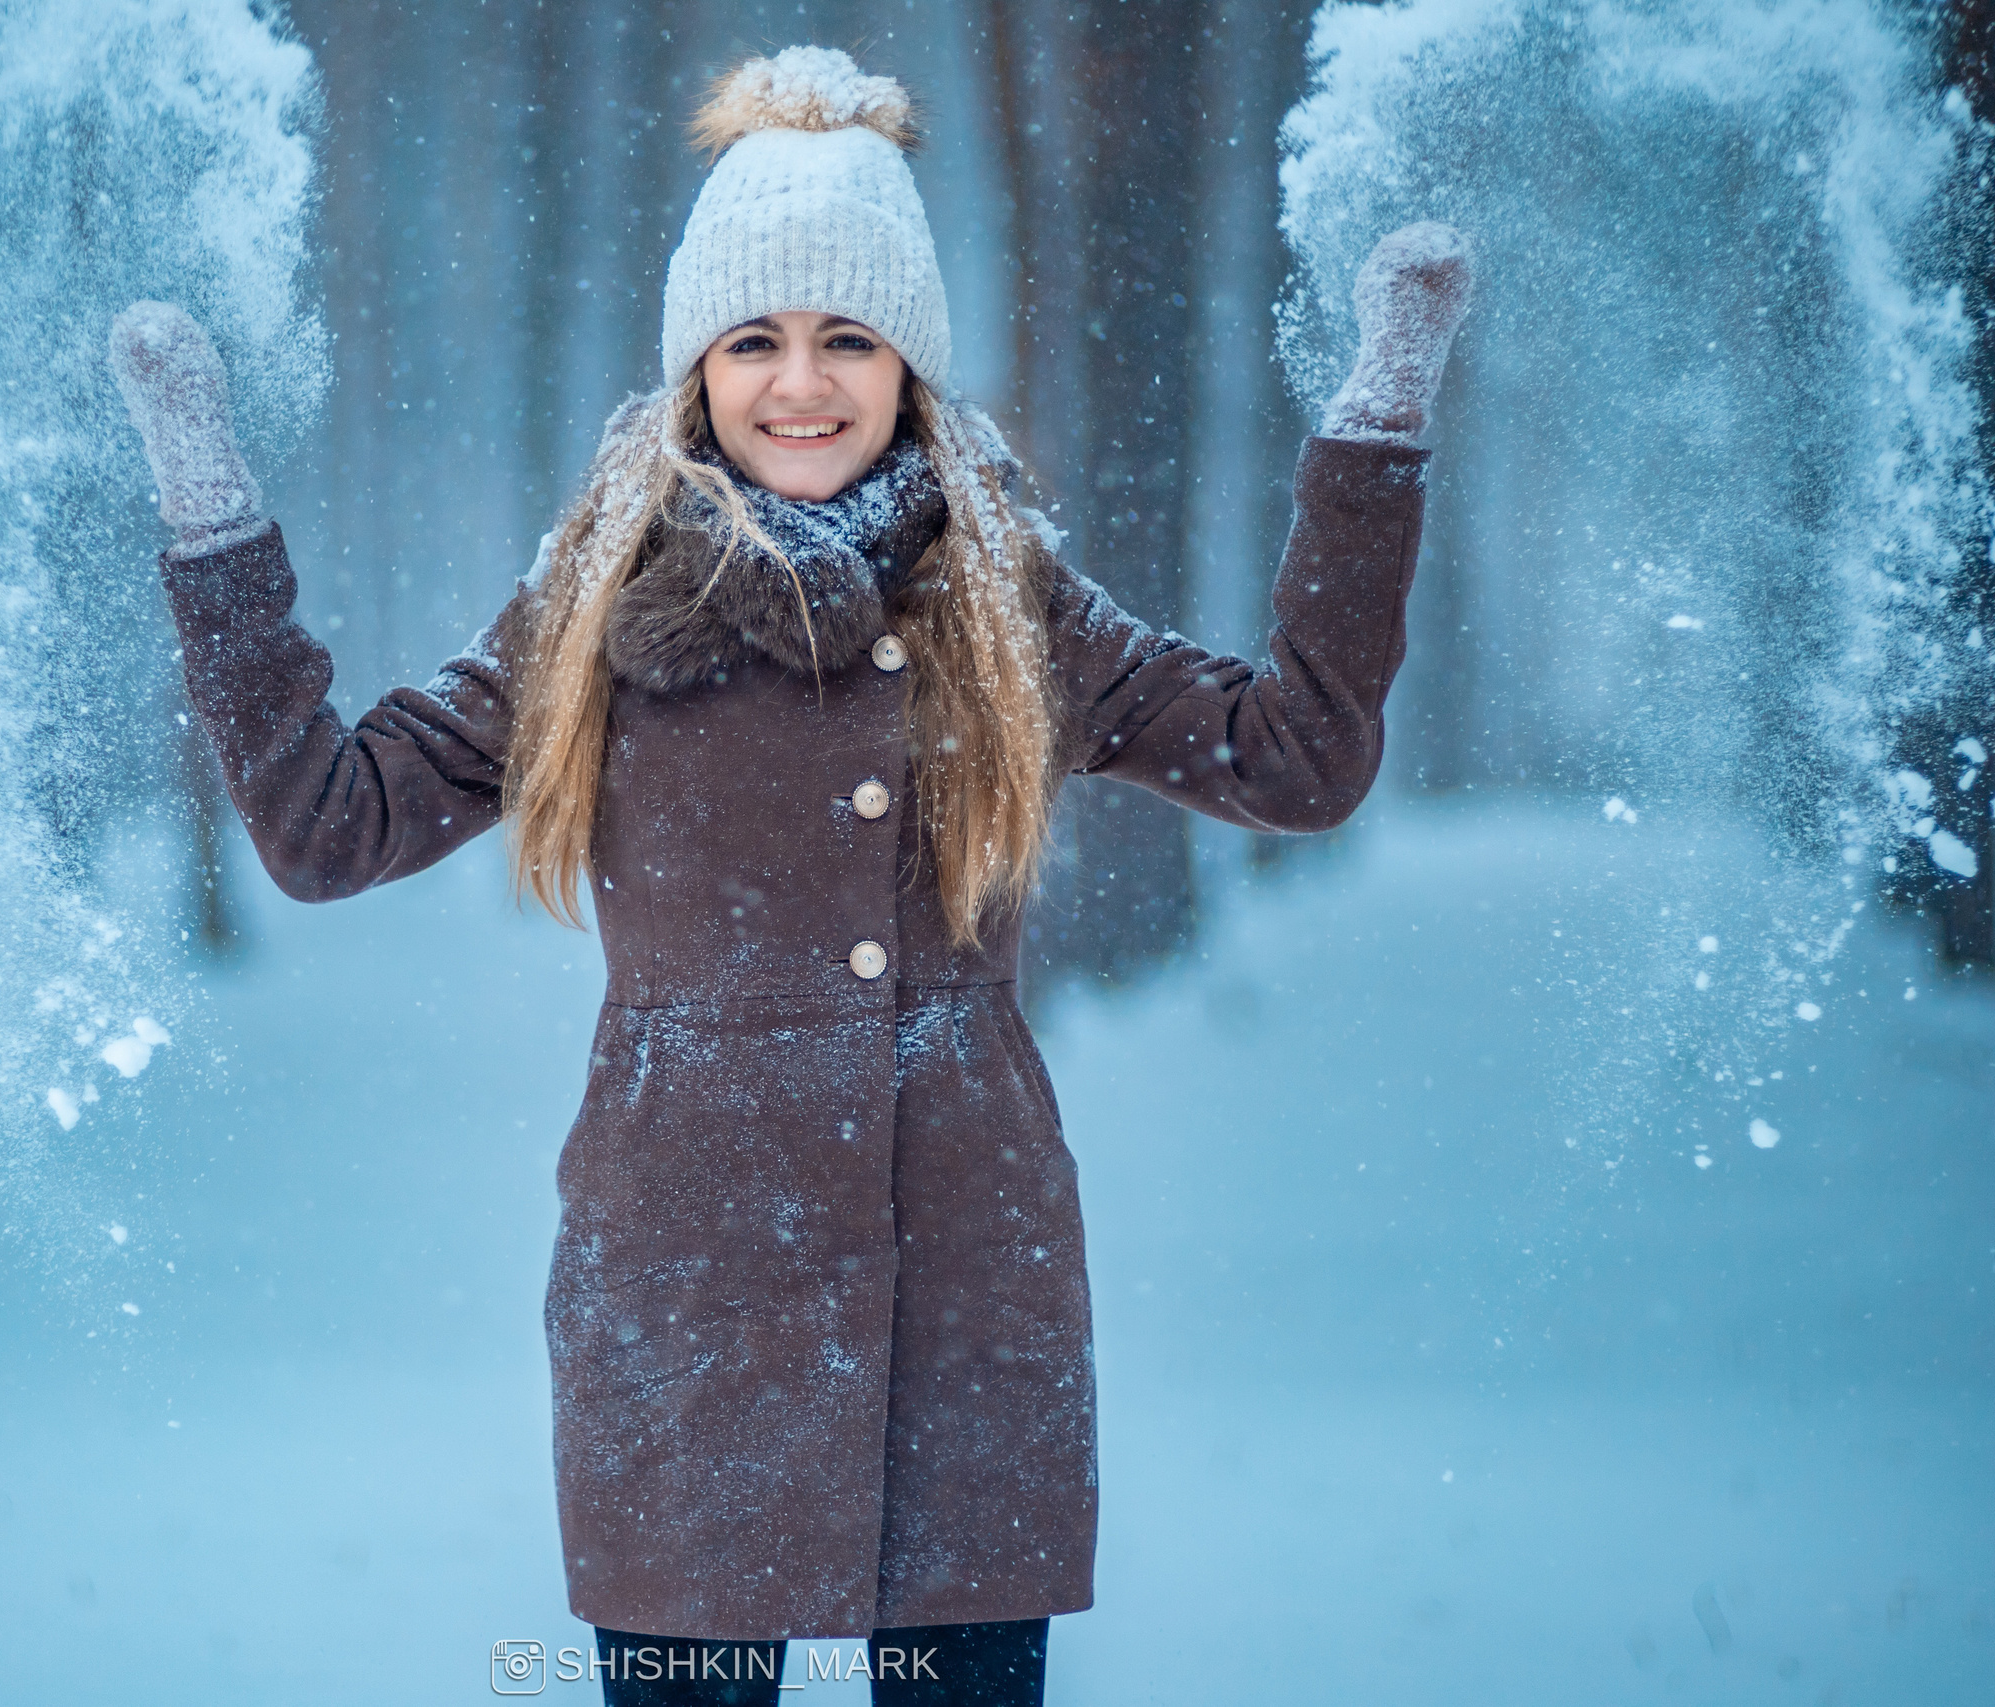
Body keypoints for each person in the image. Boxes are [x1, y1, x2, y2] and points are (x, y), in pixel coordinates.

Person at [108, 45, 1470, 1707]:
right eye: (754, 339)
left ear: (910, 363)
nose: (801, 384)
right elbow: (330, 823)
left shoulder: (1004, 596)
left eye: (849, 338)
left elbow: (1293, 759)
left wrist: (1378, 420)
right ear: (699, 367)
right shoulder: (597, 605)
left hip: (960, 1290)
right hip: (686, 1293)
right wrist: (210, 510)